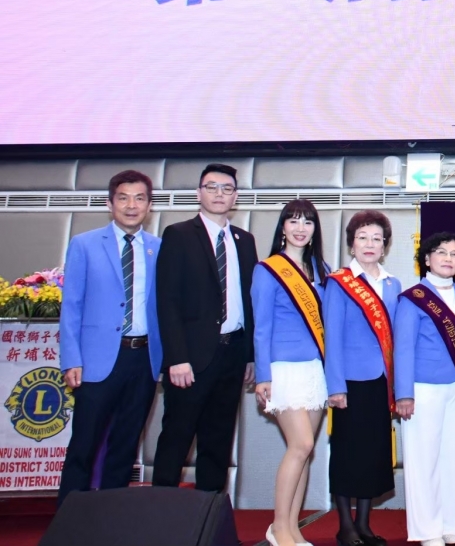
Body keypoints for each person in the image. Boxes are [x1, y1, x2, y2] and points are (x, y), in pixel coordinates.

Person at [58, 170, 162, 504]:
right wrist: (71, 359)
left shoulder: (159, 248)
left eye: (140, 198)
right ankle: (70, 520)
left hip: (143, 359)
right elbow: (71, 306)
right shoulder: (84, 244)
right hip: (96, 360)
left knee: (125, 445)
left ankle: (111, 518)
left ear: (149, 205)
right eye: (123, 198)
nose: (132, 206)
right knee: (84, 444)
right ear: (110, 203)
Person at [154, 163, 257, 492]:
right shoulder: (179, 234)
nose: (219, 194)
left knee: (218, 442)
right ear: (199, 193)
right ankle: (160, 514)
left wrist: (250, 356)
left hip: (232, 355)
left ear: (235, 197)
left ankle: (210, 515)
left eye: (227, 188)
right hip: (191, 358)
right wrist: (176, 358)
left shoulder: (245, 240)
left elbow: (248, 301)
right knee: (177, 438)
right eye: (211, 187)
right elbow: (167, 301)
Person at [252, 199, 330, 546]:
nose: (300, 228)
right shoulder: (268, 269)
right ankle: (278, 527)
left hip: (314, 369)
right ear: (282, 227)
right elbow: (261, 327)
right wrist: (263, 376)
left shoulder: (321, 270)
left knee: (304, 453)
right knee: (301, 444)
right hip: (282, 369)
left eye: (307, 222)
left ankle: (293, 530)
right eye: (293, 221)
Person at [325, 210, 402, 546]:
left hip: (381, 381)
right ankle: (345, 526)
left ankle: (364, 524)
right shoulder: (338, 282)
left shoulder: (393, 284)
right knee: (347, 453)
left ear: (384, 247)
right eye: (362, 237)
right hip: (350, 382)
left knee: (374, 452)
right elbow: (332, 337)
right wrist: (335, 386)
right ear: (351, 244)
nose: (369, 244)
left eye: (376, 239)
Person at [396, 233, 455, 546]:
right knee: (423, 461)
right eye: (441, 252)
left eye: (454, 254)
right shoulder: (412, 298)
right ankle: (428, 530)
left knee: (454, 459)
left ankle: (453, 524)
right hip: (422, 389)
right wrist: (404, 393)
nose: (448, 259)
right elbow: (403, 348)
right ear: (427, 259)